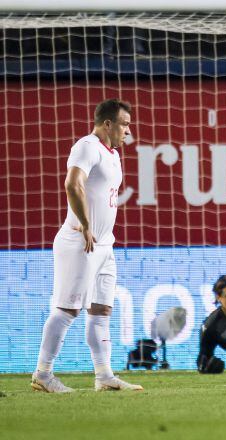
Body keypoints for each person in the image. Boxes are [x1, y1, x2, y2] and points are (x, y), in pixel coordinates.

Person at [31, 99, 142, 393]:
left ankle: (104, 376)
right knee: (67, 311)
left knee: (101, 310)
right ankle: (43, 373)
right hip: (81, 242)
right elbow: (72, 184)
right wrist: (86, 223)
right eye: (124, 124)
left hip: (105, 245)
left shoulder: (114, 154)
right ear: (107, 124)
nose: (128, 130)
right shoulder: (87, 146)